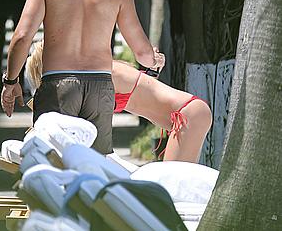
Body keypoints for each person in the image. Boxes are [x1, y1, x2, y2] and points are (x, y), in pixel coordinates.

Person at [1, 0, 165, 155]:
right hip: (100, 88)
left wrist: (11, 82)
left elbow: (22, 37)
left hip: (58, 85)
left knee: (52, 163)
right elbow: (142, 53)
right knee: (95, 167)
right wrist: (155, 61)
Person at [25, 41, 212, 163]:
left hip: (187, 116)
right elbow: (144, 87)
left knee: (174, 191)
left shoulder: (100, 74)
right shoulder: (101, 71)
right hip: (187, 115)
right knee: (175, 187)